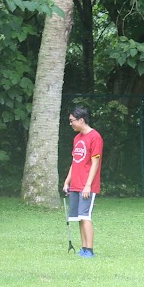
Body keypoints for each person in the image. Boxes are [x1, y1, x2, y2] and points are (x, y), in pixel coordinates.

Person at [62, 105, 102, 258]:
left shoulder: (95, 137)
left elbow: (95, 163)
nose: (70, 123)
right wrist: (67, 182)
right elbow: (75, 162)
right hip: (75, 185)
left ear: (81, 120)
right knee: (78, 217)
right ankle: (83, 248)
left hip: (87, 186)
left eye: (72, 121)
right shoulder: (77, 138)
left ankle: (89, 250)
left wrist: (88, 185)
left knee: (85, 216)